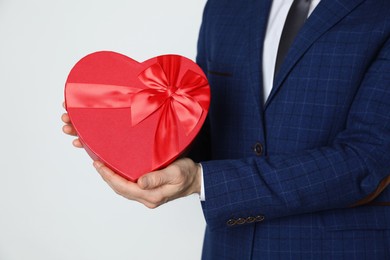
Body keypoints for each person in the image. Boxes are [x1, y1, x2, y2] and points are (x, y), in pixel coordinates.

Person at [63, 0, 390, 258]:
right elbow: (206, 127)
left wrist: (201, 181)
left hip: (338, 249)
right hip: (229, 249)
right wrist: (124, 135)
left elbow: (367, 159)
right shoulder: (225, 5)